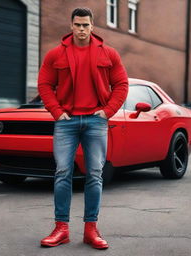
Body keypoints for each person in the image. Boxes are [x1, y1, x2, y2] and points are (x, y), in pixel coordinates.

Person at [37, 7, 128, 250]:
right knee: (62, 173)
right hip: (66, 122)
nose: (81, 29)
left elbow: (121, 84)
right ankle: (61, 229)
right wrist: (57, 112)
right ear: (71, 26)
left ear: (92, 26)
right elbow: (44, 84)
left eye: (85, 25)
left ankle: (91, 230)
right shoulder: (56, 54)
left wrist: (107, 111)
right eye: (77, 25)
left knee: (95, 175)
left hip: (95, 121)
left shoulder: (108, 54)